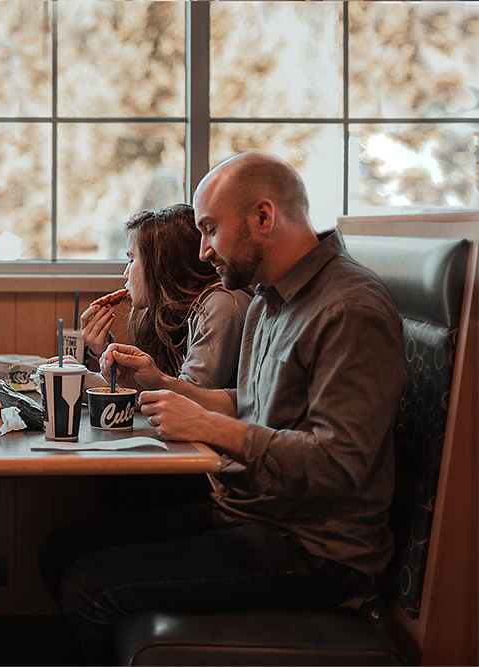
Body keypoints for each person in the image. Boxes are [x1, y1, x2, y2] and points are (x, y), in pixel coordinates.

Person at [41, 152, 404, 663]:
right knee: (60, 551)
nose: (204, 250)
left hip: (317, 551)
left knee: (88, 587)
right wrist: (162, 382)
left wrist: (210, 425)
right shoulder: (268, 299)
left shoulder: (349, 309)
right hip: (250, 511)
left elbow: (339, 465)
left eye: (210, 230)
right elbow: (251, 403)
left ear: (263, 216)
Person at [80, 203, 252, 511]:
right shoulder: (161, 313)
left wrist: (82, 382)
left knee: (115, 479)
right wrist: (101, 353)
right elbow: (152, 383)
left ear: (163, 265)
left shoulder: (220, 306)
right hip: (191, 453)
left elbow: (180, 400)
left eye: (131, 260)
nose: (124, 272)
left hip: (214, 472)